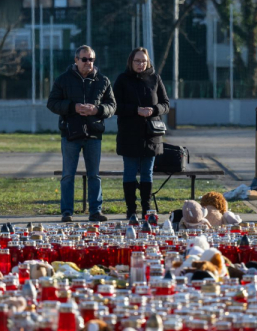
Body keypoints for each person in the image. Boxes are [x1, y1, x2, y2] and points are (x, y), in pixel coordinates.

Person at [47, 45, 116, 222]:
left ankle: (95, 211)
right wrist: (73, 107)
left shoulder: (103, 80)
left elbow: (112, 106)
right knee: (68, 175)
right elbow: (52, 103)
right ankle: (67, 212)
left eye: (91, 59)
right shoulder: (63, 80)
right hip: (71, 134)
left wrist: (97, 110)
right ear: (76, 60)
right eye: (84, 59)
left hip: (93, 134)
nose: (88, 63)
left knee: (94, 175)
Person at [113, 47, 170, 219]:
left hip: (151, 134)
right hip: (129, 134)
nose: (140, 64)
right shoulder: (123, 80)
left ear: (148, 62)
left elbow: (166, 104)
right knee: (129, 172)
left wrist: (153, 110)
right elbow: (115, 106)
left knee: (147, 172)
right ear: (130, 62)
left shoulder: (155, 78)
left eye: (143, 61)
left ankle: (147, 208)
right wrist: (135, 110)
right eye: (137, 61)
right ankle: (131, 209)